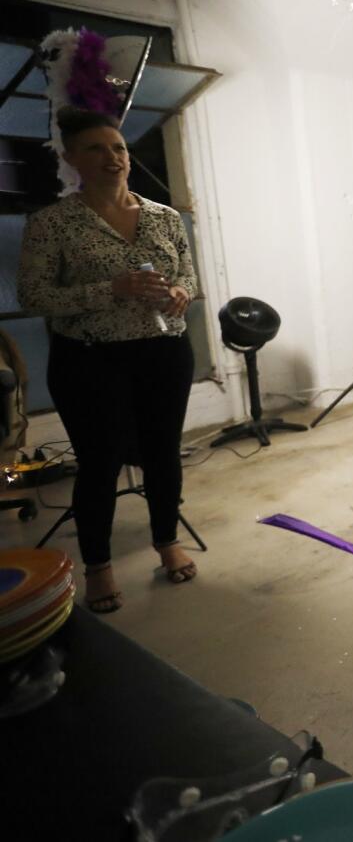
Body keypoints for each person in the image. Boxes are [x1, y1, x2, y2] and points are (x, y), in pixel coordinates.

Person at [18, 107, 199, 613]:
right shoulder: (52, 223)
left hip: (164, 353)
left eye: (118, 147)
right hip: (91, 362)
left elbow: (190, 274)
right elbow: (33, 296)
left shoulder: (164, 217)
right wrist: (111, 289)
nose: (112, 157)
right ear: (71, 158)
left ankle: (166, 541)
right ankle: (97, 566)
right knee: (99, 464)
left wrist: (183, 291)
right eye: (96, 149)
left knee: (164, 453)